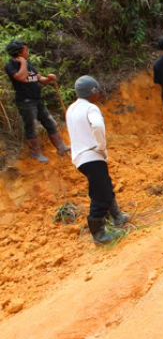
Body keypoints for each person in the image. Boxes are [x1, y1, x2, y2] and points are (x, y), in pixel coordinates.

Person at [66, 76, 129, 244]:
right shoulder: (90, 108)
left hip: (79, 158)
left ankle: (117, 216)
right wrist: (101, 147)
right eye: (97, 90)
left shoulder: (71, 109)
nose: (99, 93)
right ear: (92, 91)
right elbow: (98, 126)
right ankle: (99, 234)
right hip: (91, 155)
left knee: (104, 185)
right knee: (100, 194)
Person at [4, 40, 70, 163]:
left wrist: (49, 79)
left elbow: (39, 78)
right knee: (32, 127)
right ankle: (36, 154)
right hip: (25, 102)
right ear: (19, 52)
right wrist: (23, 63)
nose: (27, 52)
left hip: (37, 100)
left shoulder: (28, 64)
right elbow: (21, 77)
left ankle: (61, 147)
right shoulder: (10, 65)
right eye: (25, 50)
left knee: (50, 123)